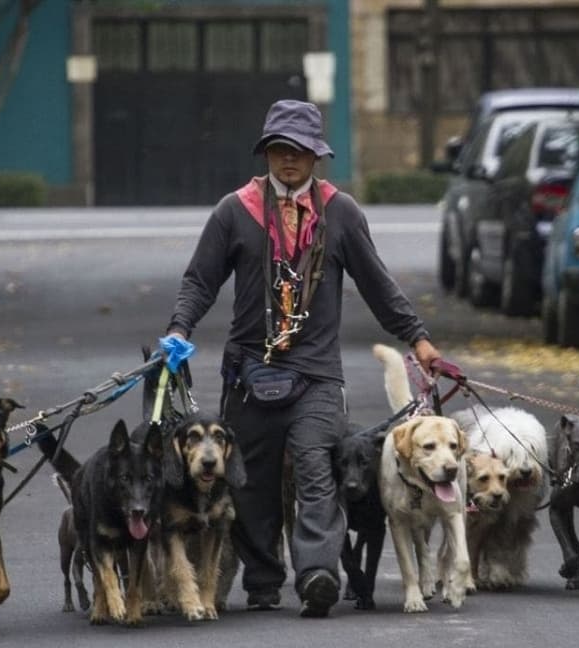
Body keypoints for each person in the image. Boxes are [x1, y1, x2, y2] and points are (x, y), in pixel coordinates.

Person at [163, 99, 442, 618]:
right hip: (249, 371)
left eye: (300, 151)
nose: (288, 160)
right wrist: (179, 329)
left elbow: (378, 285)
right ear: (266, 152)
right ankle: (264, 580)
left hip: (315, 374)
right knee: (249, 481)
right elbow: (199, 280)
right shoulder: (234, 210)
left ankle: (316, 573)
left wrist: (418, 339)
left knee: (317, 469)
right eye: (279, 150)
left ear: (318, 156)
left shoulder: (341, 213)